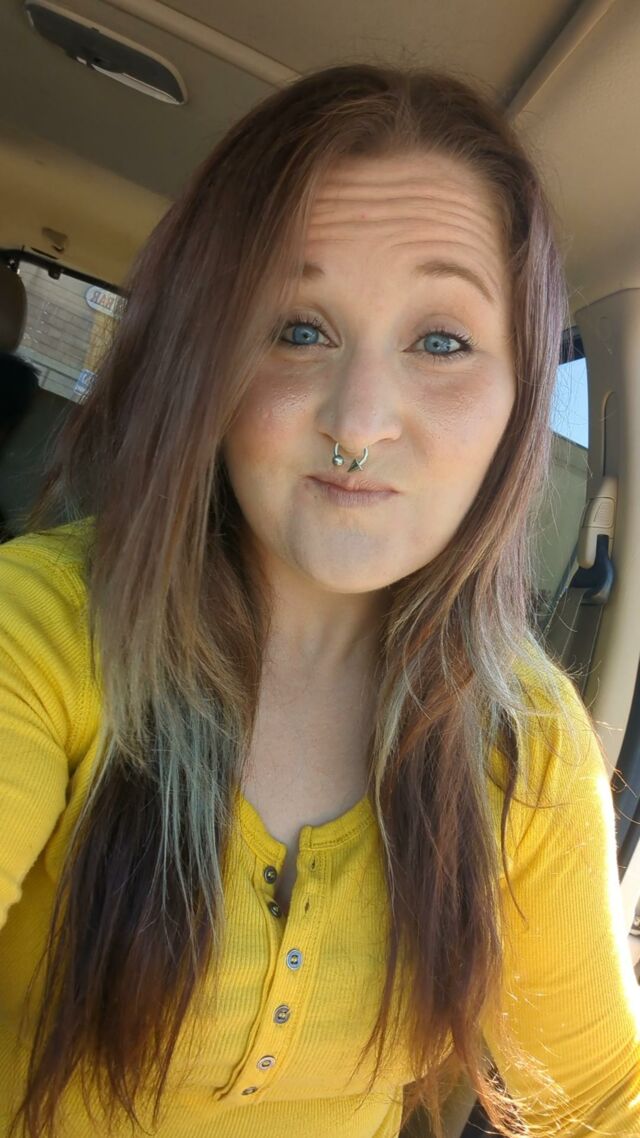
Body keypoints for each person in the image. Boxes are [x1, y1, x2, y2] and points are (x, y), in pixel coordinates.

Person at [0, 64, 639, 1138]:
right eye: (300, 327)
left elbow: (600, 1102)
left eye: (441, 341)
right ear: (207, 362)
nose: (359, 420)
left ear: (518, 396)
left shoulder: (525, 742)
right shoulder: (42, 629)